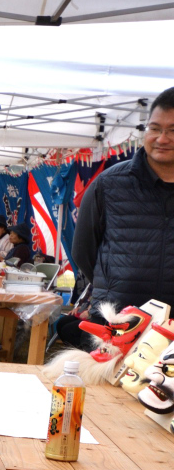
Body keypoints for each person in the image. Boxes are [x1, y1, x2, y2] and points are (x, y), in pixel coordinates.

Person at [71, 87, 174, 312]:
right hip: (116, 319)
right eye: (154, 128)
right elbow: (82, 250)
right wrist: (111, 286)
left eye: (172, 130)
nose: (161, 139)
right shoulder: (108, 183)